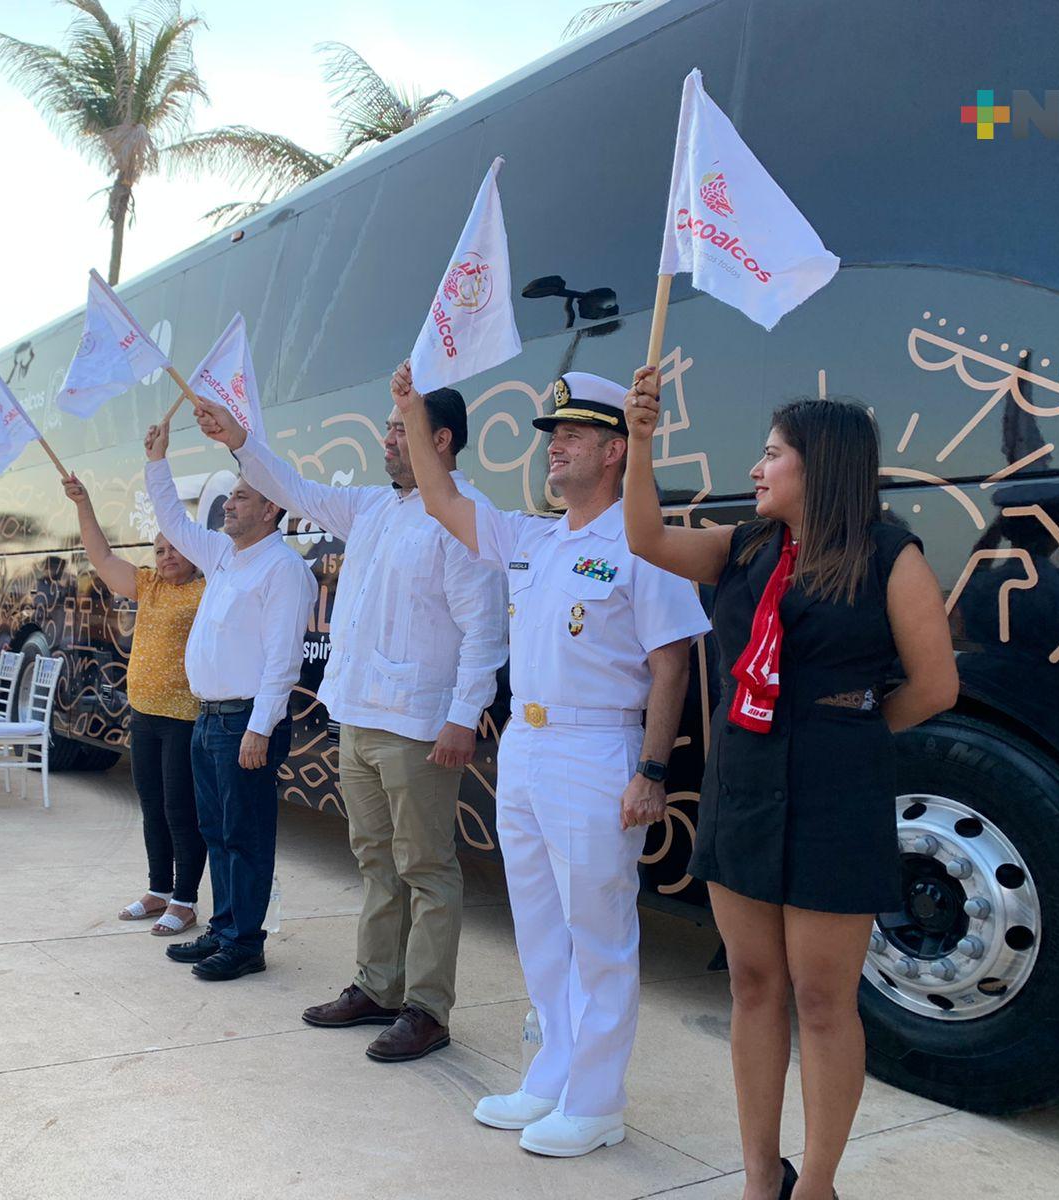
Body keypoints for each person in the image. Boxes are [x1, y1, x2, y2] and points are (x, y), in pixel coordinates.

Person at [622, 367, 960, 1200]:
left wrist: (847, 728)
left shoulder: (890, 554)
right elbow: (644, 539)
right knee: (753, 984)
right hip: (745, 782)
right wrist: (637, 443)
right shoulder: (744, 548)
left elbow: (935, 686)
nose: (757, 468)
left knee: (820, 998)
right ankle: (756, 1176)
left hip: (834, 792)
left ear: (823, 466)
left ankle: (817, 1186)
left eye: (773, 455)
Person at [395, 364, 709, 1158]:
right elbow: (441, 500)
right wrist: (408, 407)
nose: (554, 449)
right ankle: (551, 1074)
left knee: (597, 930)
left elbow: (672, 665)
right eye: (553, 436)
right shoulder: (535, 537)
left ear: (613, 452)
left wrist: (653, 771)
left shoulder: (642, 542)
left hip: (598, 743)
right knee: (539, 927)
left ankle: (598, 1100)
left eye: (571, 436)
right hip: (527, 746)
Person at [195, 388, 508, 1060]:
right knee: (375, 860)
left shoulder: (464, 515)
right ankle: (378, 987)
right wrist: (239, 441)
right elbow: (294, 487)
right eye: (389, 428)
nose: (388, 438)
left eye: (402, 429)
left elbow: (485, 629)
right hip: (359, 718)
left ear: (442, 440)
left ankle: (427, 1008)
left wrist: (463, 716)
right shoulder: (371, 506)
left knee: (425, 866)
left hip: (420, 725)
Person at [144, 419, 316, 982]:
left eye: (242, 496)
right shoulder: (222, 555)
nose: (229, 503)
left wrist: (260, 728)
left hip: (246, 721)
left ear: (272, 510)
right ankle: (222, 929)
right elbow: (170, 517)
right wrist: (157, 461)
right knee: (216, 830)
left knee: (245, 835)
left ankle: (246, 942)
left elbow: (281, 661)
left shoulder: (285, 570)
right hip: (209, 717)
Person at [63, 470, 207, 937]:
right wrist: (83, 503)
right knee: (151, 804)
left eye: (175, 548)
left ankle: (185, 900)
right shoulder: (148, 585)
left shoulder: (209, 590)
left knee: (180, 809)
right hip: (143, 713)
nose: (166, 557)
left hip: (185, 717)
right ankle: (158, 890)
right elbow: (100, 555)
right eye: (159, 549)